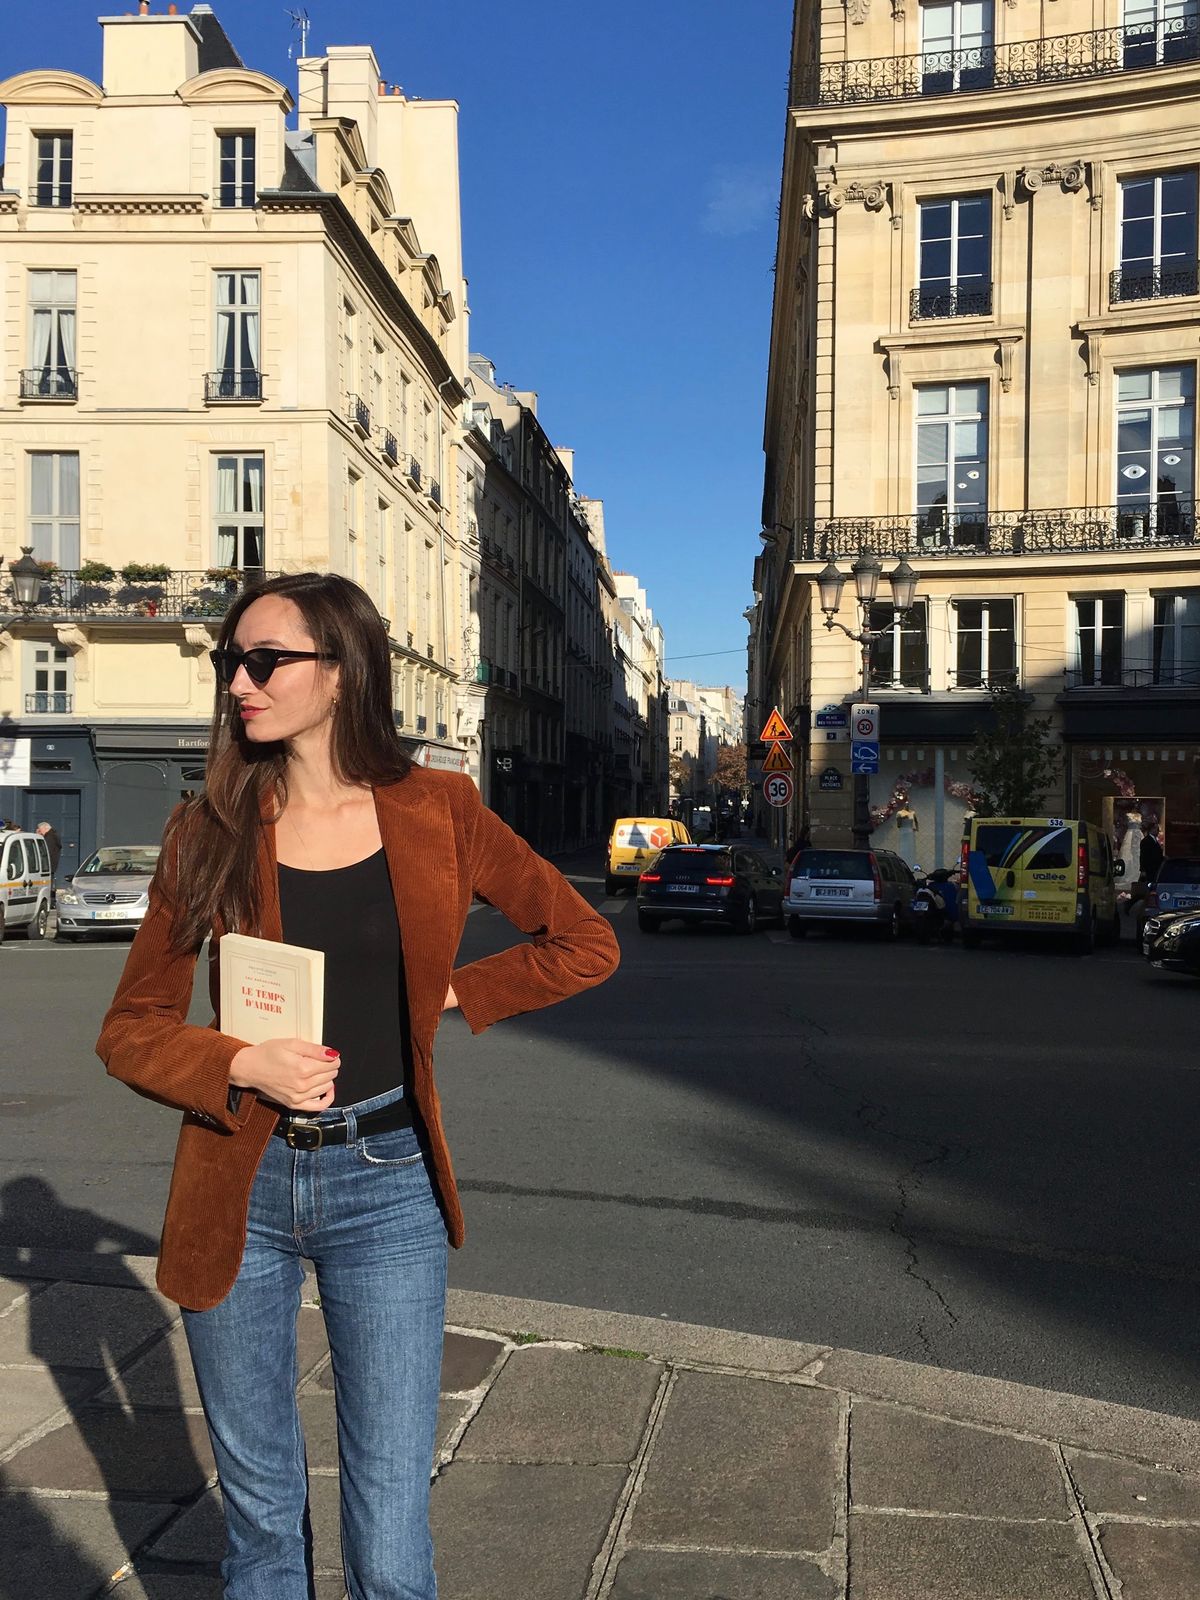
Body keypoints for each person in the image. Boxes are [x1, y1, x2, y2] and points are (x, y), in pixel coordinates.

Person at [95, 572, 620, 1599]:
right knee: (258, 1522)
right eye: (230, 664)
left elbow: (582, 939)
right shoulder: (206, 828)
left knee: (387, 1535)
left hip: (388, 1182)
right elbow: (130, 1029)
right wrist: (237, 1060)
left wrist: (452, 993)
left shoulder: (439, 809)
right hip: (236, 1181)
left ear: (340, 672)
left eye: (264, 661)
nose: (238, 684)